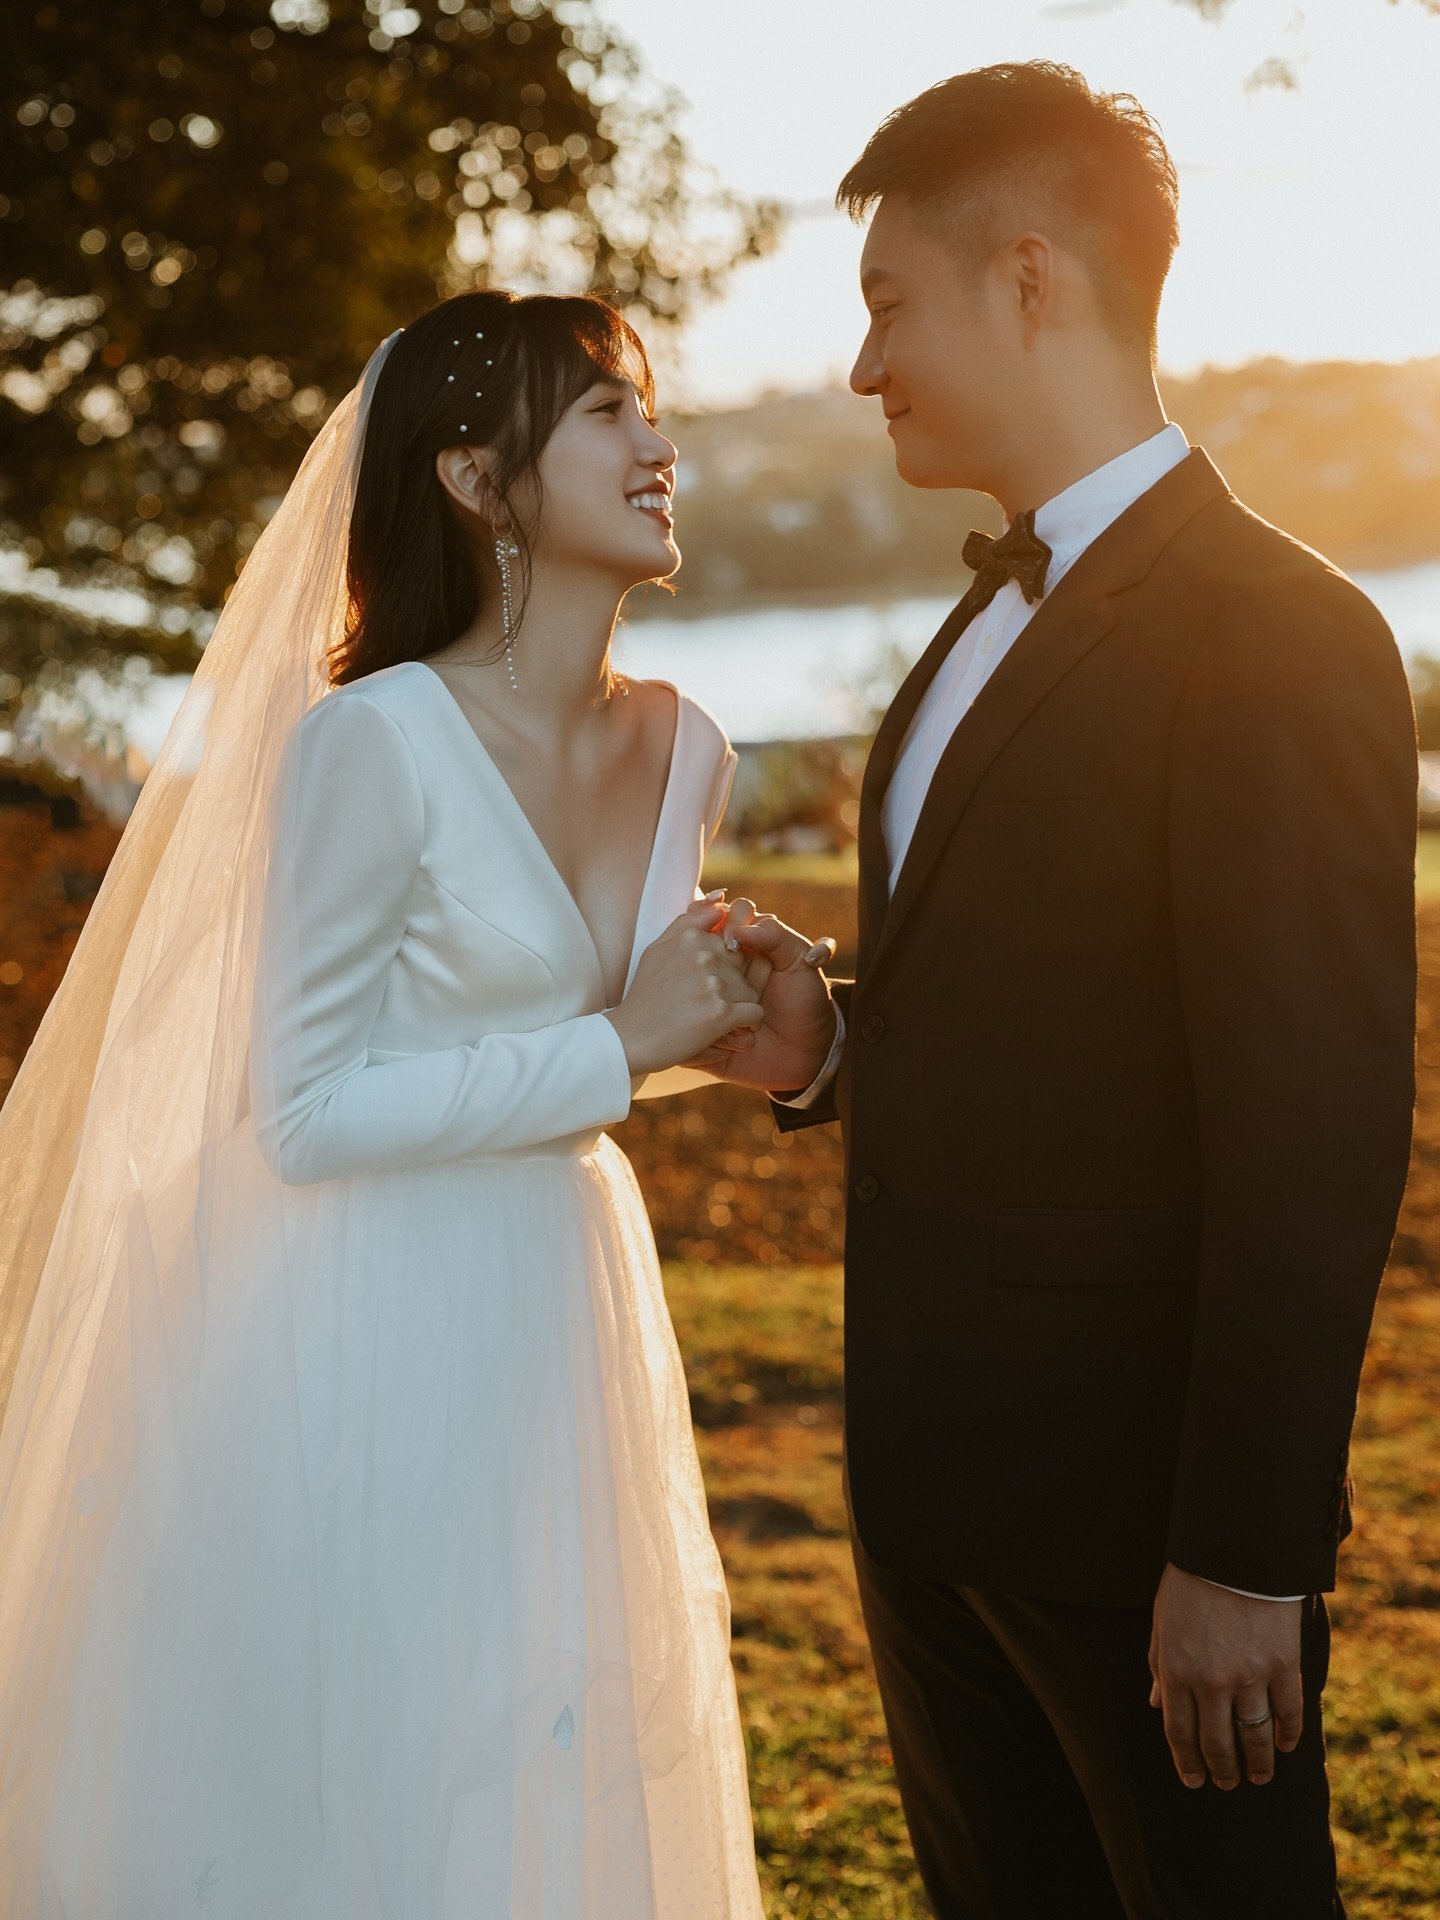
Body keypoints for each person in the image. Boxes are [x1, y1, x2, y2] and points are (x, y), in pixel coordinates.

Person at [710, 62, 1418, 1920]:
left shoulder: (1284, 637)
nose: (865, 369)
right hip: (933, 1504)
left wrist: (1248, 1556)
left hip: (1141, 1543)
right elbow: (1063, 1011)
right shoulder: (971, 620)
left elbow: (1314, 1129)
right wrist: (836, 1041)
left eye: (886, 305)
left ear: (1030, 282)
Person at [0, 290, 773, 1916]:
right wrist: (623, 1051)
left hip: (562, 1302)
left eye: (650, 409)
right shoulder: (371, 743)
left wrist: (747, 1019)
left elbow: (623, 1007)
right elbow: (307, 1108)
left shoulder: (685, 745)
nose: (659, 446)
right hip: (366, 1321)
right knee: (379, 1768)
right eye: (603, 415)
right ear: (477, 486)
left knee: (552, 1747)